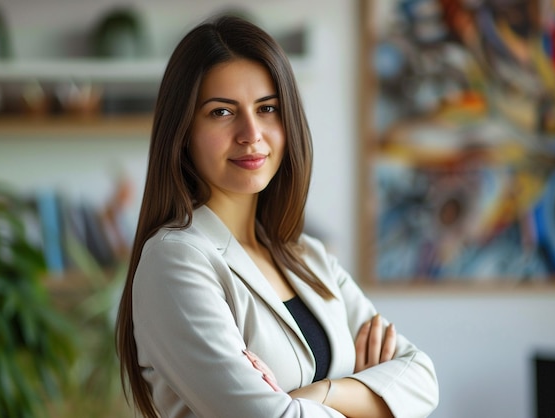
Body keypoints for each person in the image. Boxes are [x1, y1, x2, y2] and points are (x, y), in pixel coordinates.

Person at [115, 14, 439, 418]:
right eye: (221, 112)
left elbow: (422, 380)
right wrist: (370, 400)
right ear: (183, 131)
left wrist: (318, 395)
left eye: (267, 108)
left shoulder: (308, 256)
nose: (251, 133)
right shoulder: (175, 260)